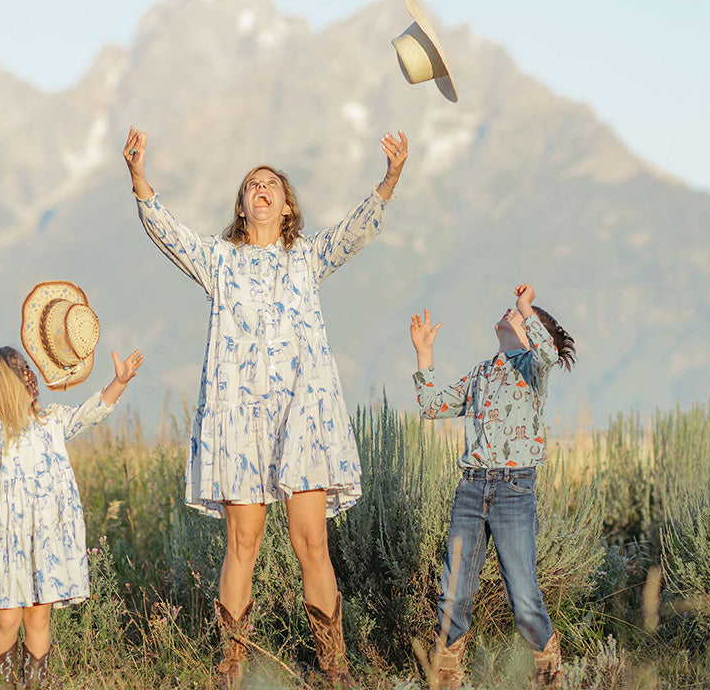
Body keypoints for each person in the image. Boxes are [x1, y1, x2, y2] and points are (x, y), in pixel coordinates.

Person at [121, 126, 408, 688]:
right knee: (242, 543)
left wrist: (392, 175)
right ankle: (231, 664)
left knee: (311, 541)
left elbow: (357, 229)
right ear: (242, 205)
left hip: (303, 411)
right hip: (238, 416)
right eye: (252, 184)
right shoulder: (219, 260)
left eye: (271, 184)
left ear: (286, 205)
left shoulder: (308, 255)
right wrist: (137, 175)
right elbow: (167, 232)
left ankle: (334, 666)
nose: (261, 189)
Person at [409, 284, 576, 689]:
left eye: (518, 317)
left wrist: (525, 307)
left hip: (513, 492)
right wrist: (424, 354)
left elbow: (550, 353)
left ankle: (548, 665)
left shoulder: (534, 369)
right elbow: (433, 406)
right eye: (515, 311)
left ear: (533, 333)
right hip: (471, 490)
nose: (510, 312)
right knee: (454, 590)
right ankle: (446, 670)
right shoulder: (483, 372)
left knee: (522, 592)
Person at [0, 344, 143, 689]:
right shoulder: (2, 433)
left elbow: (91, 412)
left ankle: (35, 685)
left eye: (27, 366)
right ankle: (2, 683)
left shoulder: (52, 419)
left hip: (47, 536)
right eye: (20, 369)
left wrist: (119, 382)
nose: (30, 373)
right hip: (10, 538)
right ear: (2, 387)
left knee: (39, 616)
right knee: (7, 618)